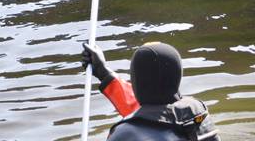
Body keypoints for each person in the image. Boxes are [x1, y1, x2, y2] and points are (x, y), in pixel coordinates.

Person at [82, 42, 220, 140]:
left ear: (136, 81)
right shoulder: (197, 115)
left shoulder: (124, 135)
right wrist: (104, 73)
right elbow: (152, 114)